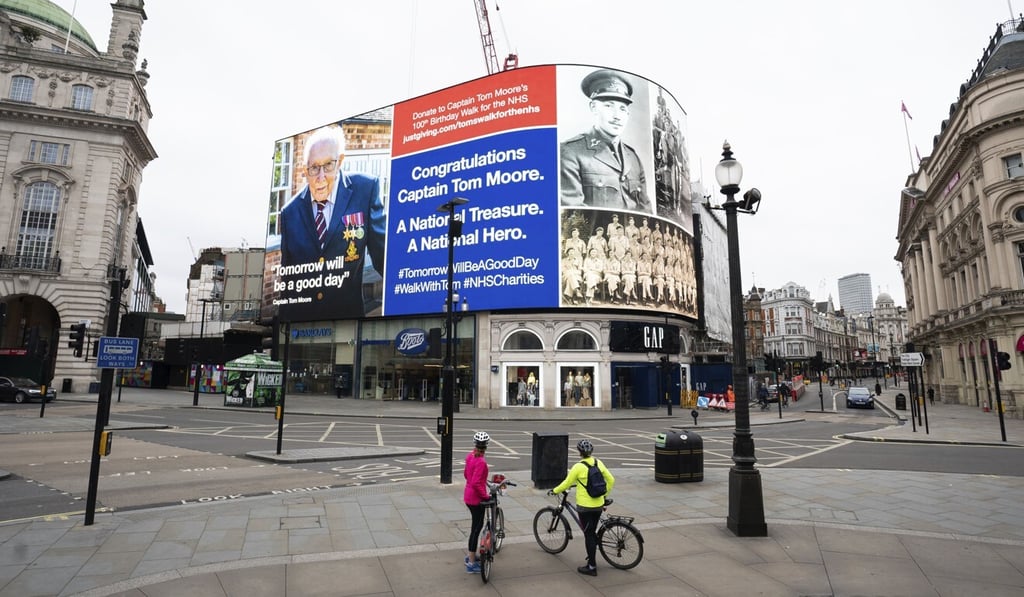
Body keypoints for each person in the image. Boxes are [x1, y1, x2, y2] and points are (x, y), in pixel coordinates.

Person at [278, 126, 386, 320]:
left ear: (340, 162)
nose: (320, 177)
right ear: (305, 170)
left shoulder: (365, 190)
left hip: (347, 323)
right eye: (314, 168)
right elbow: (288, 283)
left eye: (328, 165)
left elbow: (384, 258)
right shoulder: (289, 213)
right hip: (303, 328)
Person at [561, 69, 649, 210]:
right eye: (609, 106)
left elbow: (646, 211)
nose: (617, 116)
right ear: (594, 108)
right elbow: (574, 215)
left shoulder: (633, 158)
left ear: (627, 114)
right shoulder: (570, 152)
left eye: (622, 109)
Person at [548, 439, 615, 577]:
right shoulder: (598, 462)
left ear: (579, 452)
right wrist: (604, 496)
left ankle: (591, 566)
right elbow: (611, 480)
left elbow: (566, 483)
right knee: (591, 531)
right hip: (598, 505)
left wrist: (554, 490)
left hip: (585, 507)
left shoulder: (578, 467)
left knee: (588, 535)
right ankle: (594, 545)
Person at [463, 431, 491, 574]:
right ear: (486, 445)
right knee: (476, 529)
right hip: (476, 499)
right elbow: (476, 483)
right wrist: (485, 496)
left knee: (475, 527)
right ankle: (471, 563)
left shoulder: (470, 456)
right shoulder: (481, 462)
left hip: (468, 496)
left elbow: (466, 475)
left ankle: (470, 556)